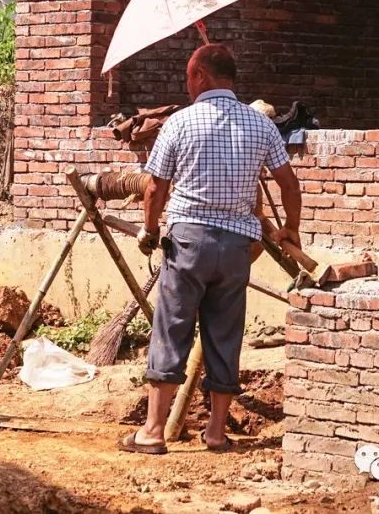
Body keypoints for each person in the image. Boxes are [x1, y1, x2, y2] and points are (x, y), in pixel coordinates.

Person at [119, 44, 302, 455]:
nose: (187, 85)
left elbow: (154, 187)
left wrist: (149, 230)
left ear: (201, 75)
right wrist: (292, 228)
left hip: (189, 242)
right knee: (225, 334)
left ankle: (151, 432)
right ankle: (216, 433)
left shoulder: (180, 123)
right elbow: (288, 184)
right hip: (238, 246)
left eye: (189, 76)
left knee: (172, 330)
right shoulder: (261, 126)